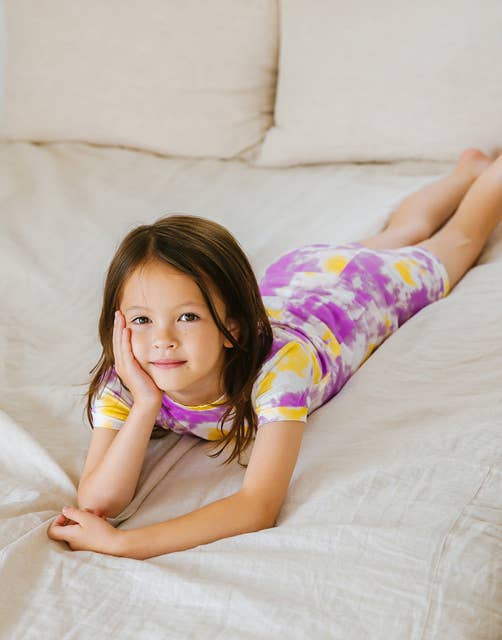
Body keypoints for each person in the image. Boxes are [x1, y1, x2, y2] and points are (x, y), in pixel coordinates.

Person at [47, 147, 501, 559]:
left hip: (357, 293)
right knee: (403, 230)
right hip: (295, 278)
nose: (161, 340)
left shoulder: (278, 368)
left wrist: (126, 543)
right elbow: (98, 501)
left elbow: (257, 505)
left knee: (455, 241)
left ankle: (485, 175)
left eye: (188, 317)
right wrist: (146, 404)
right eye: (142, 320)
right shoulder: (130, 375)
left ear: (231, 329)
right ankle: (467, 172)